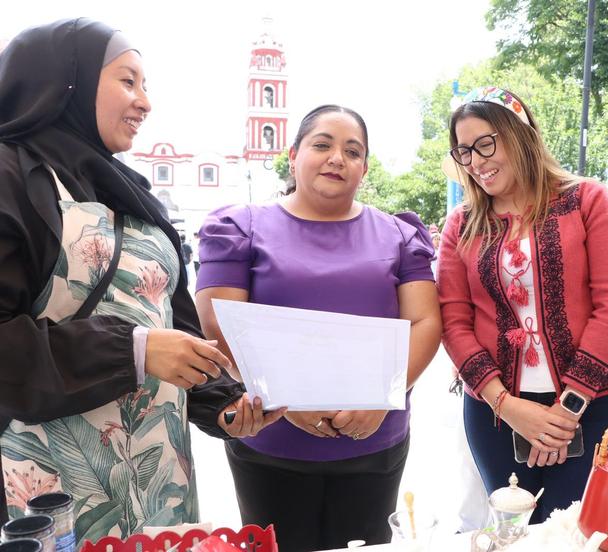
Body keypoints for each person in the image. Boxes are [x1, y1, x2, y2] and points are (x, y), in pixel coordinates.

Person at [0, 19, 279, 533]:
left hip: (160, 482)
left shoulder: (134, 194)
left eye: (146, 86)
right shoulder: (12, 177)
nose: (145, 102)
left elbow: (174, 328)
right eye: (128, 81)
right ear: (67, 81)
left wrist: (223, 404)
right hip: (50, 487)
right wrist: (132, 349)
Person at [194, 105, 442, 551]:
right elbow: (218, 321)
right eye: (322, 145)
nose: (337, 158)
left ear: (364, 168)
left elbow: (425, 321)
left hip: (374, 439)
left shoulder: (399, 236)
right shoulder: (240, 227)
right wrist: (284, 398)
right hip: (270, 441)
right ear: (293, 155)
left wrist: (381, 396)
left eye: (352, 151)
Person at [437, 87, 608, 521]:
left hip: (594, 407)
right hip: (494, 414)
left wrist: (568, 410)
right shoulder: (461, 224)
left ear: (521, 135)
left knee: (588, 533)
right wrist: (508, 407)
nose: (477, 161)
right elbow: (453, 322)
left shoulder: (586, 200)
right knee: (516, 533)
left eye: (487, 143)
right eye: (465, 151)